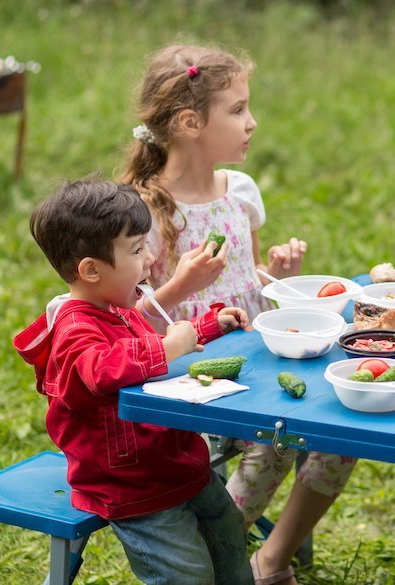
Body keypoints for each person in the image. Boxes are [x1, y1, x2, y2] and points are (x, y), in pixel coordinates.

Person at [118, 44, 356, 585]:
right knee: (278, 441)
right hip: (189, 380)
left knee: (340, 434)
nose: (252, 122)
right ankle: (215, 546)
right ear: (189, 122)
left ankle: (270, 558)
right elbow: (127, 322)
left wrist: (276, 276)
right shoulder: (145, 212)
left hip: (254, 365)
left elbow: (246, 285)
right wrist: (182, 285)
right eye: (238, 109)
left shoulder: (239, 193)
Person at [13, 180, 252, 584]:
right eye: (138, 250)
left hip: (178, 463)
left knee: (229, 539)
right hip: (133, 485)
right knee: (187, 575)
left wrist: (207, 326)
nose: (151, 258)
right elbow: (99, 369)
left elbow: (152, 346)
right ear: (90, 269)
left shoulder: (116, 307)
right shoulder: (75, 327)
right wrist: (166, 350)